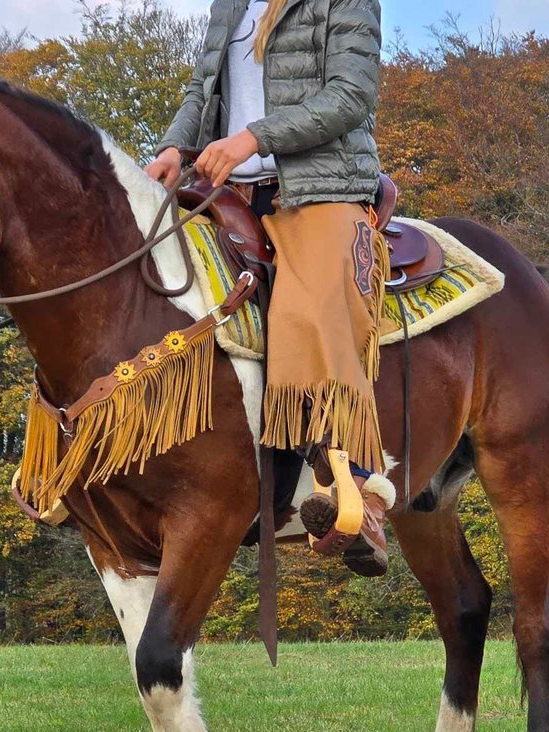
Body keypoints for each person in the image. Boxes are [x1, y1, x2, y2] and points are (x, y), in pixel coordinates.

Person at [144, 0, 395, 576]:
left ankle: (357, 491)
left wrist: (253, 138)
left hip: (319, 185)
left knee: (313, 310)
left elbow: (349, 96)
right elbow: (201, 91)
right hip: (225, 190)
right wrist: (174, 149)